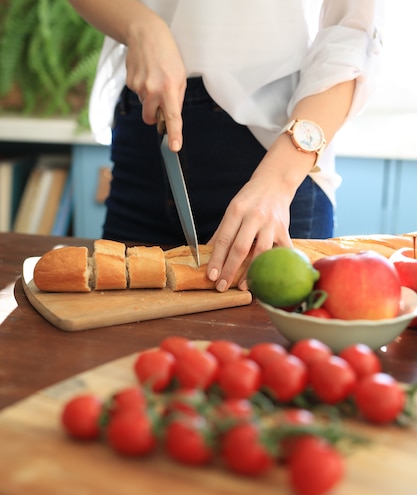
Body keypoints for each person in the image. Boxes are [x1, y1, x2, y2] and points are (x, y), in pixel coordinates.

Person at [67, 0, 384, 292]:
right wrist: (140, 26)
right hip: (144, 135)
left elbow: (353, 33)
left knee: (273, 349)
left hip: (272, 158)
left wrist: (277, 181)